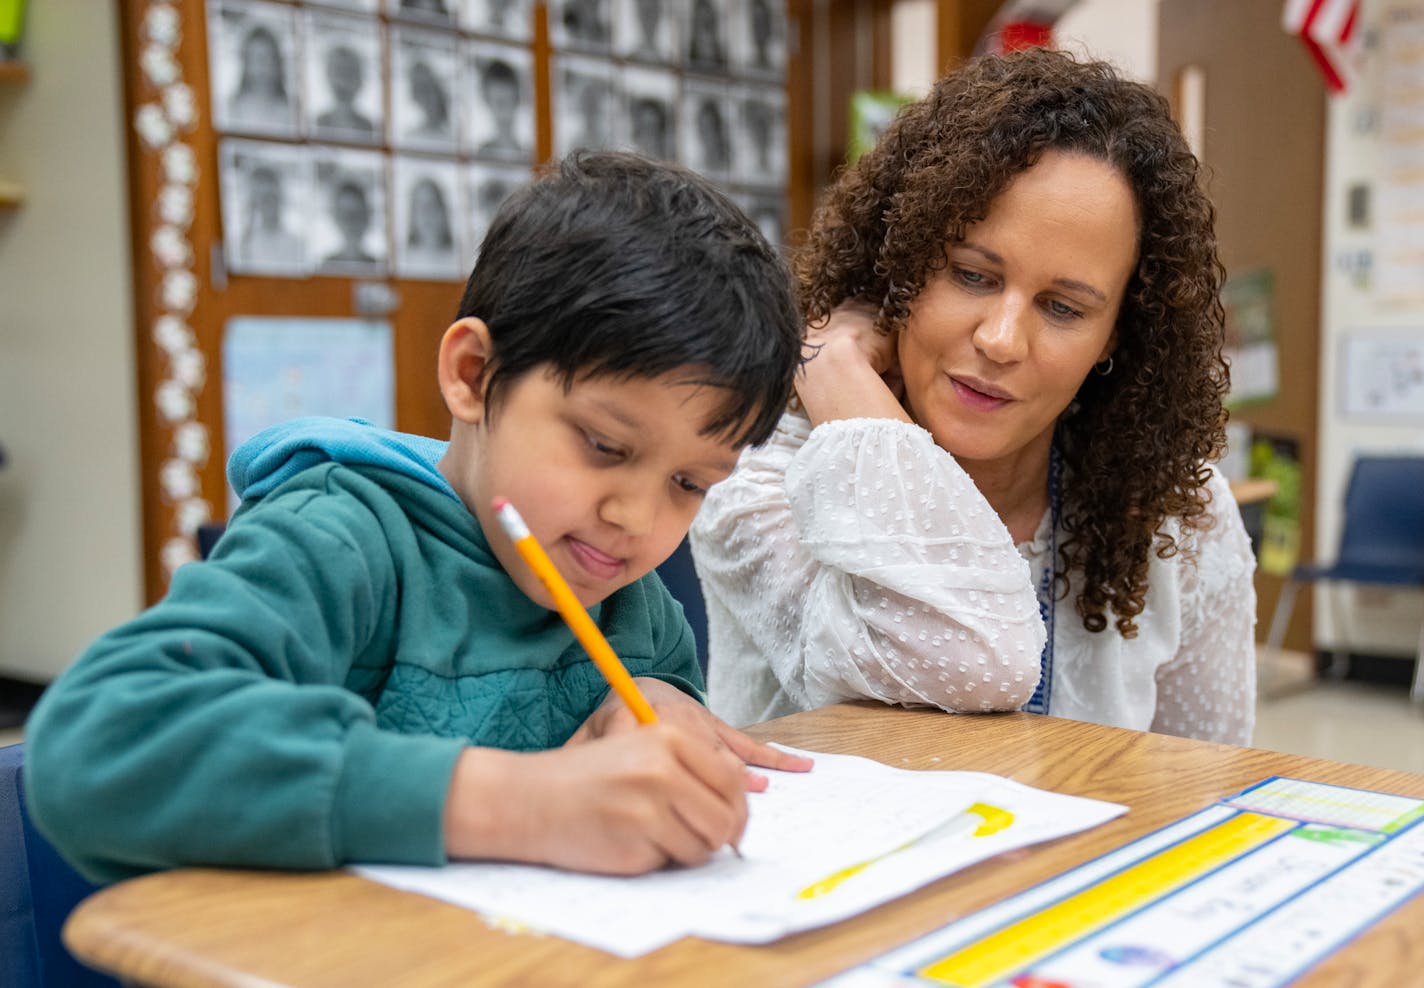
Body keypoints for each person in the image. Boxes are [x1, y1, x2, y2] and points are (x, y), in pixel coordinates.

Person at [24, 151, 809, 885]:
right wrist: (522, 803)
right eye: (603, 445)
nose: (635, 518)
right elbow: (99, 741)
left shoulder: (626, 601)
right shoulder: (340, 540)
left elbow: (652, 698)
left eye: (688, 482)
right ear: (473, 375)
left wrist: (659, 697)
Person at [690, 49, 1257, 745]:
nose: (1001, 339)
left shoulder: (1177, 518)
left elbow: (1204, 789)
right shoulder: (758, 475)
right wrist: (834, 372)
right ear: (900, 260)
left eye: (1063, 308)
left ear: (1117, 336)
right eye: (972, 275)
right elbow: (958, 661)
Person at [226, 23, 294, 131]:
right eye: (256, 59)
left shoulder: (293, 111)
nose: (262, 66)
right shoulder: (230, 108)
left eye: (268, 58)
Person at [238, 163, 303, 271]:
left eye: (271, 198)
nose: (268, 205)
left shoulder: (297, 243)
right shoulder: (245, 244)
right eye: (263, 199)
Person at [315, 44, 376, 138]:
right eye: (338, 72)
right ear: (328, 76)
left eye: (350, 72)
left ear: (360, 80)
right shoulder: (316, 124)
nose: (342, 82)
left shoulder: (370, 128)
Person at [321, 177, 378, 268]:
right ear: (336, 218)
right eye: (345, 215)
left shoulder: (379, 267)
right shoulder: (324, 268)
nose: (351, 223)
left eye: (357, 214)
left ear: (367, 216)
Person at [476, 58, 526, 158]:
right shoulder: (481, 156)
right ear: (487, 101)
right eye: (499, 102)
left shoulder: (531, 153)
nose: (504, 110)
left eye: (509, 100)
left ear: (517, 99)